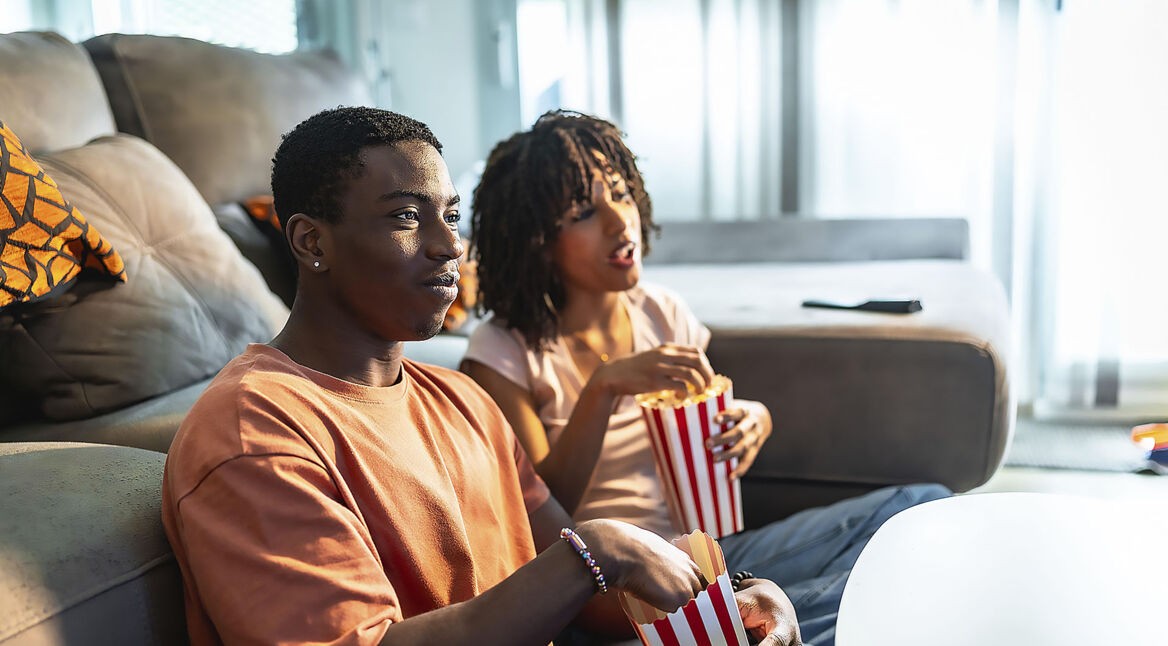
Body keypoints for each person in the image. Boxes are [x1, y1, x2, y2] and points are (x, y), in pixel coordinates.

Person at [160, 106, 804, 646]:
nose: (449, 246)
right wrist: (602, 551)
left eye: (450, 215)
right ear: (310, 242)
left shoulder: (462, 402)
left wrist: (737, 600)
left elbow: (575, 577)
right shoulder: (254, 432)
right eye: (407, 217)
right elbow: (582, 561)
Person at [462, 110, 950, 646]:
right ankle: (773, 622)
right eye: (583, 212)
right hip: (612, 599)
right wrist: (603, 389)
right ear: (538, 240)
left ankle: (757, 622)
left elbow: (707, 425)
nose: (618, 221)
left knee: (922, 505)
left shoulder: (661, 311)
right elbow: (537, 517)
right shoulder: (503, 351)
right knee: (896, 596)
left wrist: (753, 421)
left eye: (622, 194)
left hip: (713, 558)